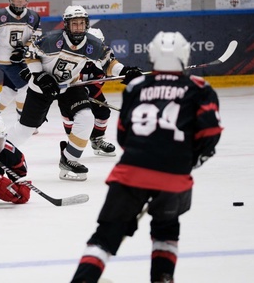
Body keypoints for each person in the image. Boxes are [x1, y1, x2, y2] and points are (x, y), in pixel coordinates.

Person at [70, 31, 223, 283]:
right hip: (174, 176)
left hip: (131, 171)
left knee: (106, 235)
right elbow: (210, 134)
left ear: (151, 56)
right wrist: (187, 160)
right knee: (165, 231)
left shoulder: (136, 86)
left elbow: (122, 135)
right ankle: (162, 278)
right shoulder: (199, 88)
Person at [7, 5, 141, 181]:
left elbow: (109, 62)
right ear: (66, 25)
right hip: (41, 88)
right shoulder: (51, 40)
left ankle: (69, 159)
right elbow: (31, 55)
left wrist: (125, 71)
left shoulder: (92, 43)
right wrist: (39, 75)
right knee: (26, 130)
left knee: (86, 117)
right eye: (74, 24)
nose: (78, 27)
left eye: (81, 23)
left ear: (86, 25)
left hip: (70, 85)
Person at [0, 0, 41, 122]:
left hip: (22, 59)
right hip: (4, 59)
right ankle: (23, 119)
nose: (20, 0)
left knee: (10, 91)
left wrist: (24, 50)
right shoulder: (0, 14)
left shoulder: (33, 16)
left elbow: (35, 37)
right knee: (26, 87)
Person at [61, 28, 116, 157]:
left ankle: (97, 140)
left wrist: (88, 92)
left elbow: (100, 80)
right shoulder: (72, 56)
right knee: (70, 117)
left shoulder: (102, 58)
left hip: (92, 92)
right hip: (70, 94)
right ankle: (71, 144)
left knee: (103, 112)